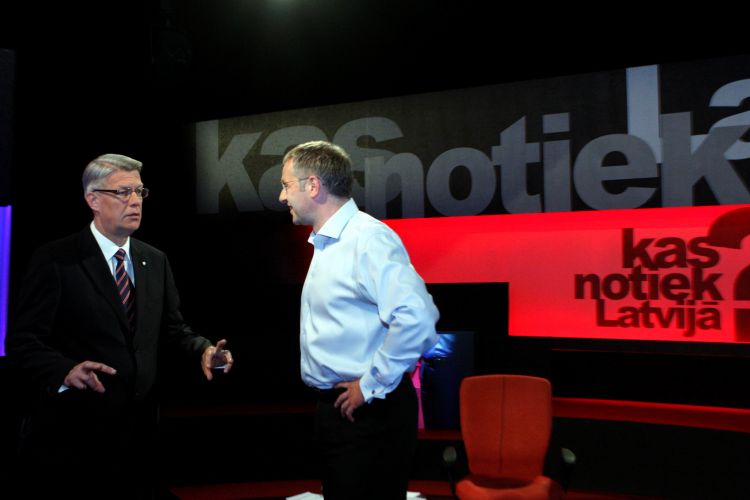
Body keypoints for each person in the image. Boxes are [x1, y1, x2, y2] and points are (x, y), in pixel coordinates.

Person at [5, 153, 234, 500]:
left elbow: (173, 329)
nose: (135, 201)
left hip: (139, 438)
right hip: (74, 438)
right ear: (93, 200)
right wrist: (65, 370)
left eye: (139, 191)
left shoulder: (154, 259)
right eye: (123, 192)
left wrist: (203, 349)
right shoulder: (56, 259)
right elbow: (23, 341)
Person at [279, 141, 439, 499]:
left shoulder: (367, 238)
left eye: (286, 185)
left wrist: (370, 384)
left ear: (313, 185)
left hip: (369, 413)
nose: (282, 196)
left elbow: (417, 318)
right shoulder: (329, 243)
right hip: (342, 411)